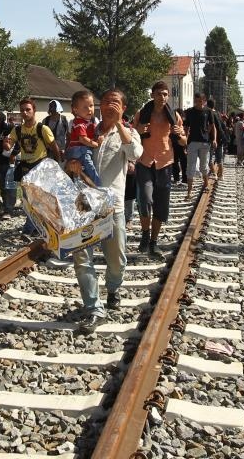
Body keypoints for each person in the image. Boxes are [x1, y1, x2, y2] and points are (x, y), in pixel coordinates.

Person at [74, 89, 141, 333]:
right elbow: (71, 156)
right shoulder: (86, 130)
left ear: (123, 108)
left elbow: (135, 154)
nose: (110, 105)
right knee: (81, 257)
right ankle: (93, 308)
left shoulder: (129, 133)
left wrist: (120, 124)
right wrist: (71, 164)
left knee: (117, 260)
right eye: (107, 101)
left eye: (116, 102)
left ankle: (113, 288)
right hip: (85, 206)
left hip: (113, 207)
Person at [134, 81, 187, 257]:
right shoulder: (141, 114)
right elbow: (131, 137)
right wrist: (139, 130)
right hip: (145, 161)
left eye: (165, 94)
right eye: (158, 94)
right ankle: (144, 233)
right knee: (145, 199)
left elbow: (183, 142)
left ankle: (154, 241)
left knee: (161, 204)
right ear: (152, 95)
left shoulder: (174, 116)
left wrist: (179, 134)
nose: (162, 97)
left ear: (168, 96)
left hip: (165, 162)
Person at [3, 97, 61, 237]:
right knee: (28, 201)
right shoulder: (17, 130)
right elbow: (8, 146)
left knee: (41, 199)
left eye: (28, 109)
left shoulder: (42, 129)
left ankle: (33, 228)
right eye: (22, 110)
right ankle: (35, 227)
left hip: (40, 167)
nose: (25, 112)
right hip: (26, 168)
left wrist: (57, 165)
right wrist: (6, 144)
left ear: (34, 111)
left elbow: (54, 147)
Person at [183, 92, 216, 201]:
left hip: (205, 142)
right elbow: (186, 127)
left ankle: (206, 184)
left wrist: (212, 137)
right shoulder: (190, 112)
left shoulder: (208, 111)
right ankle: (189, 192)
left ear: (204, 101)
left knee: (203, 166)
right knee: (190, 167)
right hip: (192, 142)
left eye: (200, 101)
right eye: (196, 101)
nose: (197, 103)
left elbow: (212, 125)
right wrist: (185, 141)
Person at [65, 90, 101, 186]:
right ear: (75, 110)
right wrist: (96, 144)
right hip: (80, 149)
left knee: (81, 171)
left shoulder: (91, 121)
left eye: (91, 105)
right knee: (89, 166)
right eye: (85, 107)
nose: (89, 109)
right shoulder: (79, 122)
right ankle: (97, 185)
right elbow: (83, 139)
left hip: (81, 149)